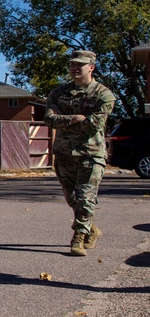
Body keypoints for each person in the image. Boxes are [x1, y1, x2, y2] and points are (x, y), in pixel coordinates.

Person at [44, 50, 116, 256]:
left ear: (91, 67)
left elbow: (96, 123)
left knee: (85, 197)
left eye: (80, 65)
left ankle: (78, 238)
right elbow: (49, 119)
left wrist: (66, 121)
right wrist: (74, 119)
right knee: (72, 197)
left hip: (91, 153)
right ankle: (91, 229)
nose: (75, 68)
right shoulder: (59, 93)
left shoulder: (103, 94)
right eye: (72, 65)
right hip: (64, 153)